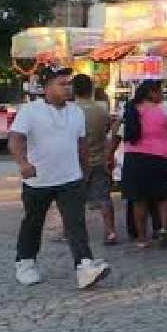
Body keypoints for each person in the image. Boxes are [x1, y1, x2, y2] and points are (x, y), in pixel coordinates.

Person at [9, 66, 111, 289]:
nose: (68, 88)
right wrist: (23, 163)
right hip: (39, 180)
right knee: (33, 222)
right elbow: (16, 139)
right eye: (62, 84)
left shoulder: (76, 112)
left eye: (69, 83)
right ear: (47, 88)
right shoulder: (30, 111)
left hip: (70, 179)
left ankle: (84, 266)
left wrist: (84, 172)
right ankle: (25, 263)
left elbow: (81, 144)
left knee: (76, 223)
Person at [121, 80, 167, 249]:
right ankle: (163, 230)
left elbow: (117, 132)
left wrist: (110, 154)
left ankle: (141, 238)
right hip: (161, 157)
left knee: (138, 199)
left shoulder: (131, 109)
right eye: (159, 92)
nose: (162, 95)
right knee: (164, 196)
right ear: (151, 93)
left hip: (135, 158)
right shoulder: (165, 110)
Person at [71, 74, 118, 245]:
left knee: (74, 199)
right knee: (104, 197)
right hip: (99, 158)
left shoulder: (70, 110)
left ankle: (71, 231)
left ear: (73, 89)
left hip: (76, 162)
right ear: (91, 88)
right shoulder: (102, 109)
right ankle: (110, 231)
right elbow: (109, 129)